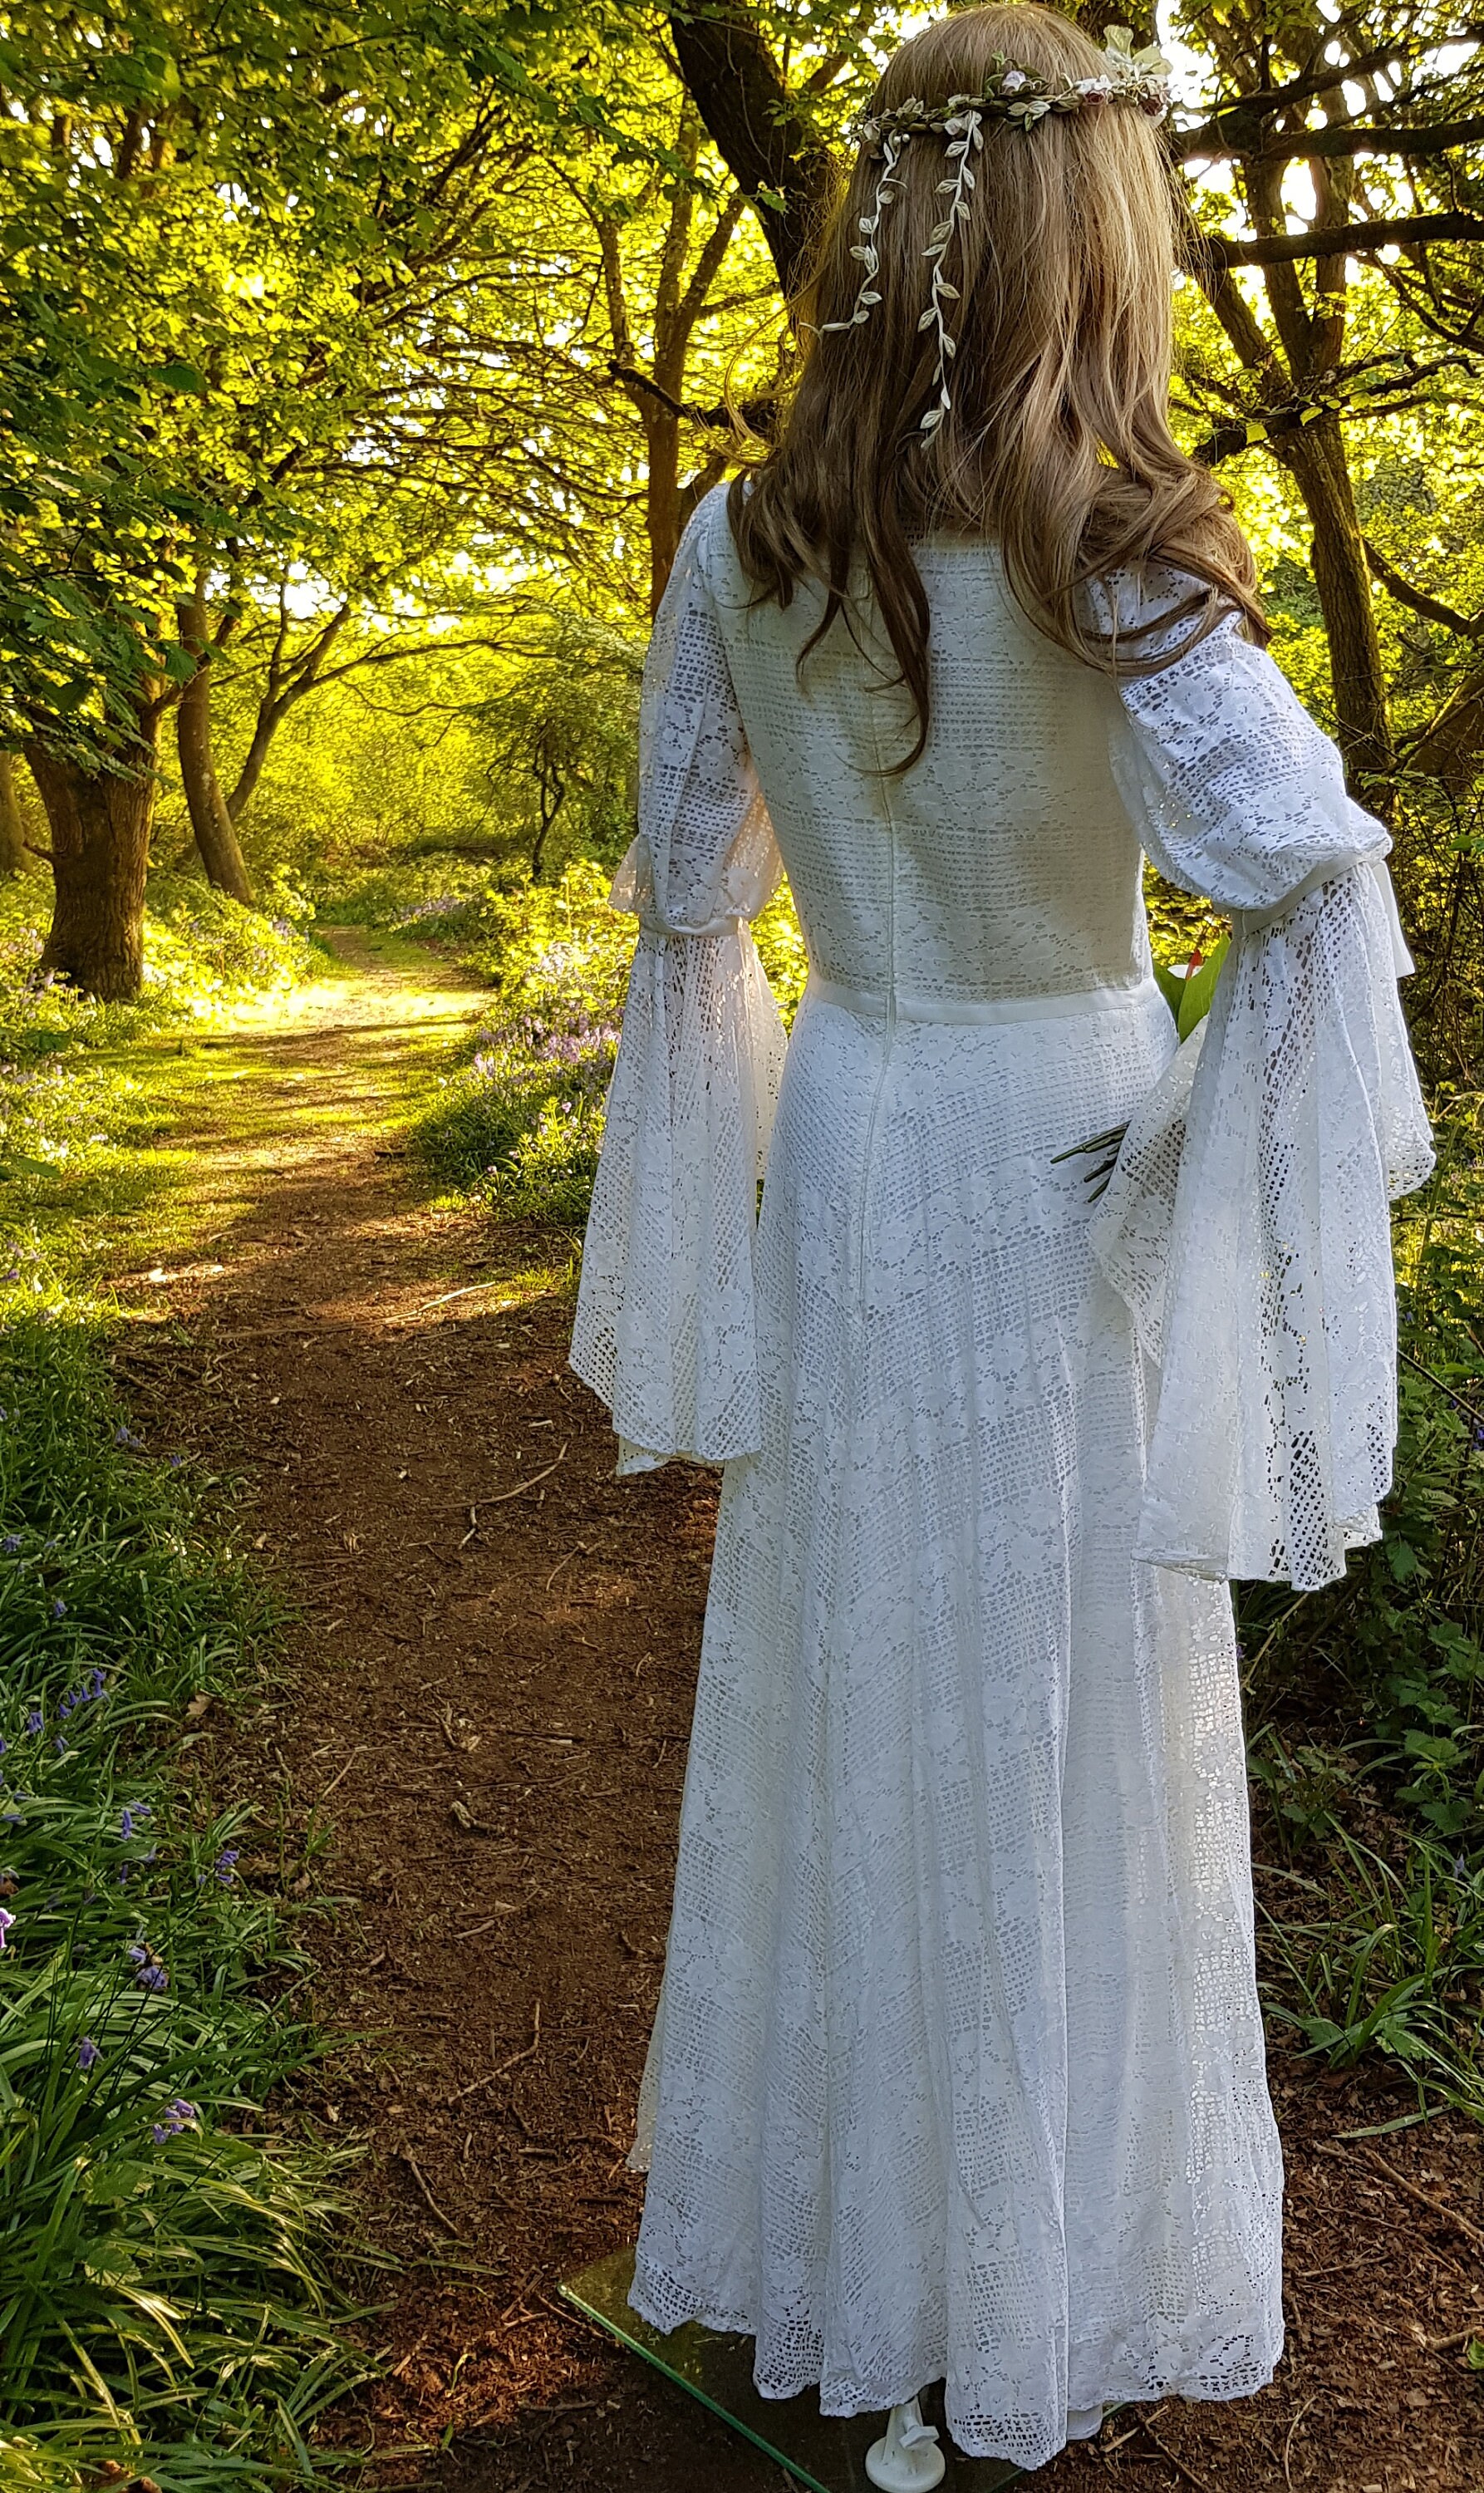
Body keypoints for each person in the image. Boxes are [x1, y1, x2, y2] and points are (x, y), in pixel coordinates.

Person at [570, 6, 1434, 2476]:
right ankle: (1036, 2268)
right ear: (1089, 229)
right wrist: (1207, 1150)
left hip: (859, 1133)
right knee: (1061, 1705)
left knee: (858, 1678)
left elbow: (678, 900)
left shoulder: (745, 541)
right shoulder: (1112, 546)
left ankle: (856, 2254)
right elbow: (1307, 869)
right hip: (1065, 1134)